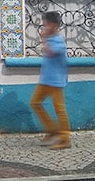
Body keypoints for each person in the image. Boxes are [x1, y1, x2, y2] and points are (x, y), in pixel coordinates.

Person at [29, 11, 71, 150]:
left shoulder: (58, 40)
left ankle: (64, 138)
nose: (44, 26)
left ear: (53, 25)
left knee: (59, 109)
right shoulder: (52, 38)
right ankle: (53, 131)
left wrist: (44, 39)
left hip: (56, 81)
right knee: (35, 103)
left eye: (46, 23)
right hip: (46, 79)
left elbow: (51, 52)